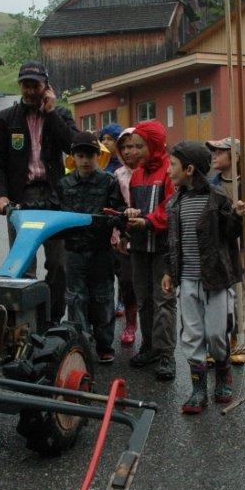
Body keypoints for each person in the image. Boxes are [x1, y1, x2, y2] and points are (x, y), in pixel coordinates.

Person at [162, 142, 245, 413]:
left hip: (217, 279)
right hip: (187, 280)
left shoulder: (218, 197)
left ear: (189, 169)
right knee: (192, 335)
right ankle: (198, 389)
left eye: (173, 165)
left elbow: (231, 234)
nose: (169, 170)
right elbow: (172, 241)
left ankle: (223, 372)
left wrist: (239, 216)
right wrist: (169, 271)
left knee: (216, 333)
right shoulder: (175, 202)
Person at [0, 61, 78, 323]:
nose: (29, 91)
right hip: (20, 199)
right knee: (24, 264)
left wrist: (51, 112)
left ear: (46, 87)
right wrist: (2, 195)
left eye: (35, 85)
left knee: (59, 264)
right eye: (25, 85)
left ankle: (53, 319)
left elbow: (73, 146)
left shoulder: (60, 115)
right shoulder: (5, 120)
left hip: (54, 198)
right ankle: (29, 323)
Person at [52, 132, 126, 363]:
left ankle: (105, 345)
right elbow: (53, 212)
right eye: (80, 155)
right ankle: (81, 345)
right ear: (73, 157)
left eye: (90, 156)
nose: (85, 160)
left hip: (101, 250)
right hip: (73, 251)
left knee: (102, 297)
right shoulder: (63, 184)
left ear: (97, 156)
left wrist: (118, 220)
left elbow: (119, 210)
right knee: (76, 298)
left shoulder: (109, 182)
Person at [206, 136, 245, 364]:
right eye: (213, 152)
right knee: (216, 293)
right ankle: (216, 342)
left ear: (235, 157)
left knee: (238, 294)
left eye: (219, 152)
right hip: (217, 247)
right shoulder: (211, 187)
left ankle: (238, 341)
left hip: (240, 248)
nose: (214, 155)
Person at [124, 120, 177, 381]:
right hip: (139, 247)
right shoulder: (136, 174)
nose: (132, 151)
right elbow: (134, 206)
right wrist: (129, 216)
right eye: (130, 146)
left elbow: (171, 208)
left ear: (154, 145)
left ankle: (166, 354)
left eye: (139, 146)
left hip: (163, 248)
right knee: (143, 299)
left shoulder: (169, 170)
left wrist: (147, 221)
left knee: (163, 300)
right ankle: (149, 347)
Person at [114, 128, 140, 346]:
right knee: (126, 281)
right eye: (124, 147)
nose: (129, 151)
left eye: (134, 146)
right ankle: (131, 323)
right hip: (123, 236)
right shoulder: (118, 175)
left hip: (148, 233)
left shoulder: (154, 172)